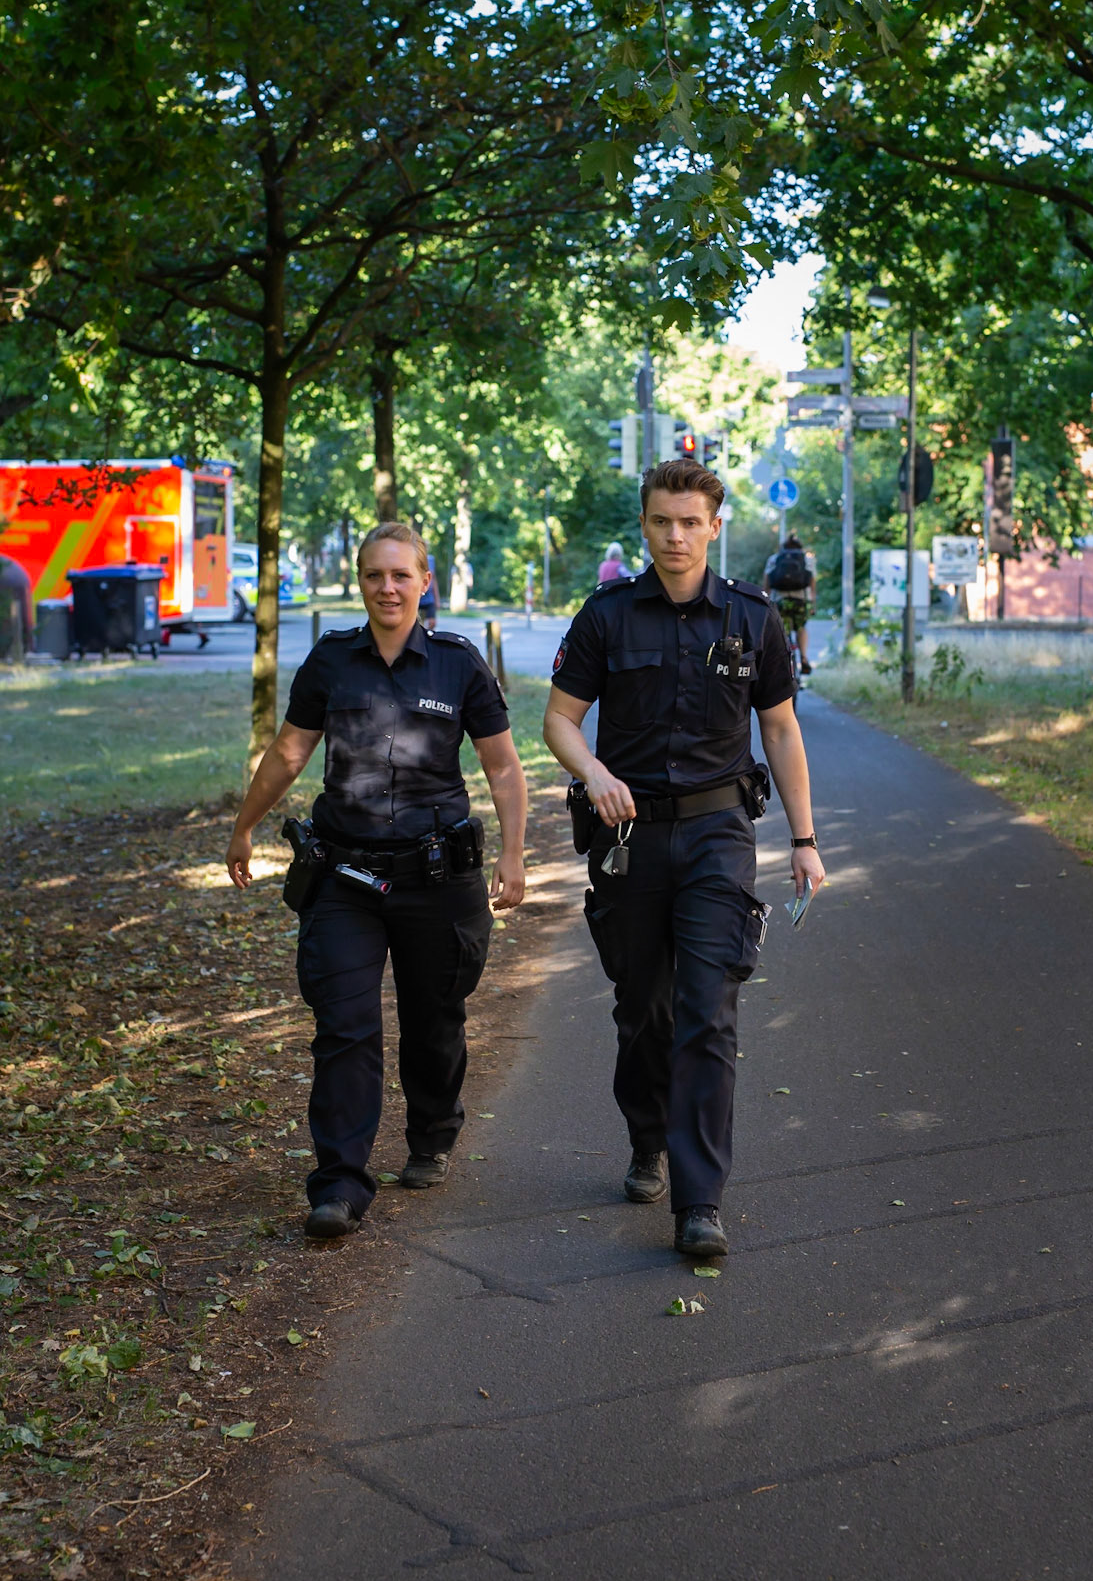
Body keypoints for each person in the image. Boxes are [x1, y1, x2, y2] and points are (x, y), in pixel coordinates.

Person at [543, 458, 826, 1260]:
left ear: (713, 525)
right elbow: (559, 721)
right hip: (627, 841)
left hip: (716, 837)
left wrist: (804, 841)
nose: (675, 535)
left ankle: (700, 1201)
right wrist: (591, 772)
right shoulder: (604, 617)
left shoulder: (750, 619)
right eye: (662, 521)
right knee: (644, 1010)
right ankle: (646, 1138)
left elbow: (779, 730)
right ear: (644, 525)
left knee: (707, 1011)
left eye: (690, 522)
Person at [225, 521, 527, 1240]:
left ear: (426, 582)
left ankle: (431, 1133)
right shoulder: (330, 662)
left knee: (433, 1021)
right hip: (343, 877)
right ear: (359, 582)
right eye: (373, 576)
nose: (387, 588)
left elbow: (504, 766)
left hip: (435, 880)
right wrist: (243, 825)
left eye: (400, 575)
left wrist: (515, 854)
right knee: (344, 1027)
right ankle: (338, 1183)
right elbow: (289, 751)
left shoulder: (459, 665)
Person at [763, 532, 816, 674]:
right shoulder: (806, 559)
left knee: (782, 632)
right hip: (801, 601)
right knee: (801, 628)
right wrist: (813, 603)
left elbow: (767, 583)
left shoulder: (774, 559)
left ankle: (782, 662)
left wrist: (764, 601)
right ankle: (804, 658)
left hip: (780, 602)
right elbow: (812, 583)